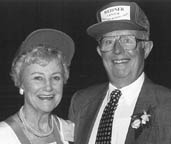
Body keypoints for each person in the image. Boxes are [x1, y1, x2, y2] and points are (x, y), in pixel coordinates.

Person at [69, 1, 171, 144]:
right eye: (108, 42)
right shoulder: (80, 102)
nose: (117, 50)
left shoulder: (167, 106)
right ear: (100, 51)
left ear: (146, 48)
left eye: (127, 40)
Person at [0, 28, 75, 144]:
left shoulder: (70, 131)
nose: (48, 87)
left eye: (55, 77)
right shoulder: (4, 135)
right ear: (21, 83)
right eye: (38, 78)